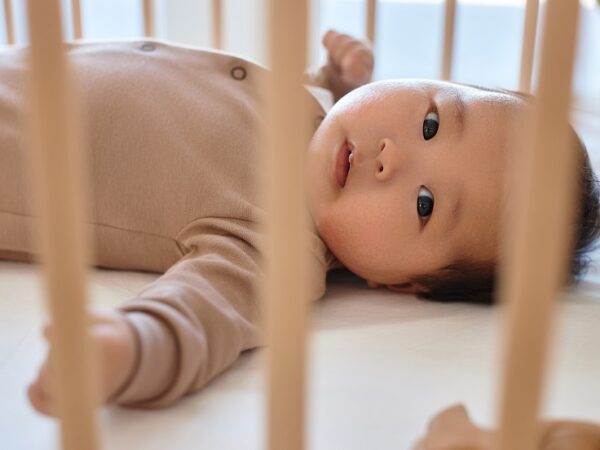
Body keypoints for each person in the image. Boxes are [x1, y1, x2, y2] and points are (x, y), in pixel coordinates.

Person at [0, 30, 597, 429]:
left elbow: (200, 315)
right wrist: (335, 80)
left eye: (423, 204)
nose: (391, 156)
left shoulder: (277, 246)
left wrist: (125, 348)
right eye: (434, 122)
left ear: (402, 284)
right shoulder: (312, 117)